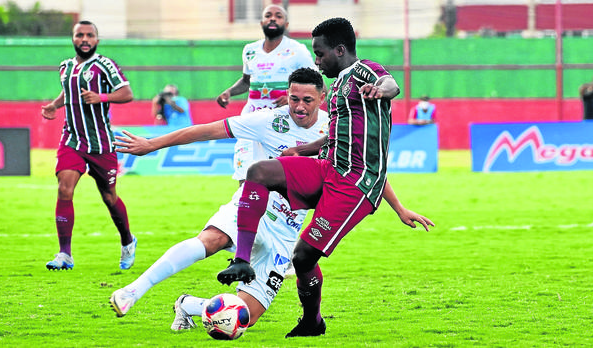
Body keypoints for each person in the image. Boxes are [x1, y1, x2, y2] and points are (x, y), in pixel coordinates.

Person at [216, 18, 435, 338]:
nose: (316, 61)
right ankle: (241, 261)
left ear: (340, 50)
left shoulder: (364, 71)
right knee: (259, 171)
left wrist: (380, 89)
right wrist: (302, 150)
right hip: (328, 168)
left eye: (320, 54)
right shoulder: (335, 91)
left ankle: (312, 321)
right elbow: (335, 136)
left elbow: (392, 85)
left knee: (303, 257)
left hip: (355, 184)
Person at [109, 68, 329, 329]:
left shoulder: (334, 128)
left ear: (322, 98)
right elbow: (205, 131)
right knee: (211, 240)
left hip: (285, 231)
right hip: (253, 205)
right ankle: (132, 291)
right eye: (294, 98)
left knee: (246, 316)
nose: (299, 107)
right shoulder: (268, 120)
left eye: (307, 100)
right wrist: (151, 144)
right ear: (287, 96)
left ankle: (188, 305)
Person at [40, 20, 137, 271]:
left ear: (97, 40)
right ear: (73, 39)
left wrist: (102, 97)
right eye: (79, 35)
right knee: (64, 189)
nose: (84, 39)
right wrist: (54, 105)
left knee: (109, 196)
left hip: (101, 143)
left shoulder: (105, 65)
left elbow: (126, 93)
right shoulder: (65, 67)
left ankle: (127, 240)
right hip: (72, 140)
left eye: (89, 35)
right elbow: (67, 91)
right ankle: (65, 254)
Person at [215, 4, 317, 184]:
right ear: (262, 22)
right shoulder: (250, 50)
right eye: (268, 15)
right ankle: (244, 207)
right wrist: (229, 92)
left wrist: (293, 99)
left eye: (278, 16)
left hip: (281, 123)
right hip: (249, 120)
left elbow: (318, 85)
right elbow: (247, 81)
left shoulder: (297, 50)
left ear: (286, 24)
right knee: (246, 175)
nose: (272, 18)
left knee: (278, 180)